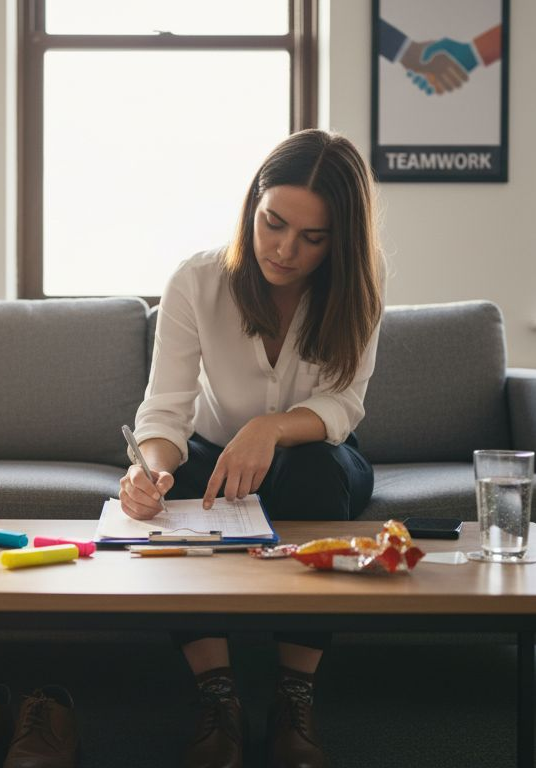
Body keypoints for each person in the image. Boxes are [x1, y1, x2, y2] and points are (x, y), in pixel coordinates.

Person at [121, 128, 384, 768]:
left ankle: (295, 695)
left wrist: (269, 428)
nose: (285, 250)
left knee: (317, 471)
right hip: (211, 457)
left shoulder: (358, 286)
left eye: (312, 238)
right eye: (273, 223)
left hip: (316, 456)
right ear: (252, 207)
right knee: (180, 488)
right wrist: (149, 472)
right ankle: (218, 698)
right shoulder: (198, 279)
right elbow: (166, 410)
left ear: (340, 242)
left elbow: (343, 407)